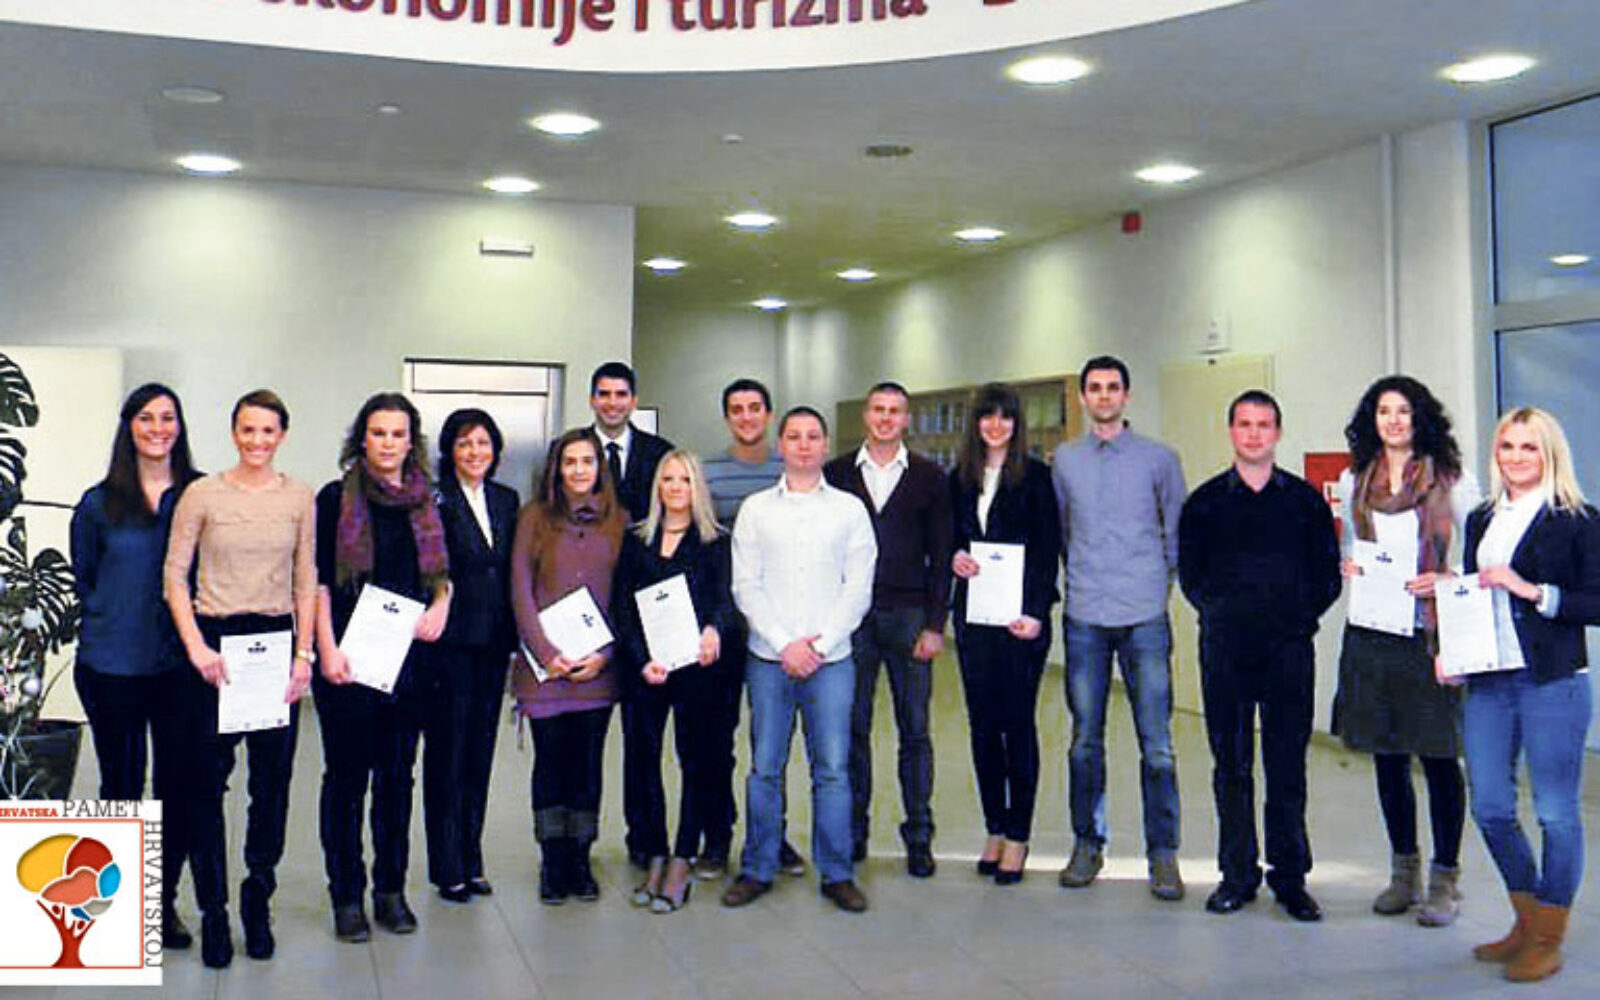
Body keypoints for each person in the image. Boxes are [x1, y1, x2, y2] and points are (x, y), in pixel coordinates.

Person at [163, 389, 316, 968]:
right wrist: (196, 648)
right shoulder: (202, 494)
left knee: (271, 786)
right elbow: (174, 576)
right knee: (206, 785)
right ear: (234, 433)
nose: (257, 441)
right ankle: (214, 910)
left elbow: (306, 577)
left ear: (282, 435)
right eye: (247, 430)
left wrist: (304, 655)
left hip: (274, 644)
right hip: (214, 647)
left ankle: (258, 899)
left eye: (267, 431)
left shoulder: (299, 497)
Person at [1178, 389, 1341, 922]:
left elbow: (1327, 575)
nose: (1253, 434)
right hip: (1225, 650)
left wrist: (1297, 619)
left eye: (1263, 424)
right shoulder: (1203, 503)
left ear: (1278, 433)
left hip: (1288, 652)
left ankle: (1290, 879)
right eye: (1244, 424)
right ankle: (1237, 875)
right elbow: (1191, 575)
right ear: (1231, 431)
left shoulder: (1304, 502)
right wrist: (1223, 613)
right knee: (1231, 766)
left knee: (1287, 766)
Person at [1457, 406, 1598, 983]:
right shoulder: (1481, 518)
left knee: (1555, 812)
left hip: (1553, 681)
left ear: (1549, 453)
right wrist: (1455, 654)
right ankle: (1526, 916)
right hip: (1489, 681)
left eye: (1529, 447)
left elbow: (1597, 601)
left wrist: (1534, 591)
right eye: (1507, 446)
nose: (1516, 457)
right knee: (1489, 805)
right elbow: (1473, 594)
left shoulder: (1578, 519)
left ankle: (1546, 938)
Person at [1331, 376, 1478, 926]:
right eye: (1383, 411)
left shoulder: (1452, 480)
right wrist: (1348, 565)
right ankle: (1403, 873)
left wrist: (1446, 576)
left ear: (1420, 418)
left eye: (1403, 411)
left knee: (1439, 758)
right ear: (1372, 420)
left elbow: (1478, 555)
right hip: (1373, 633)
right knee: (1387, 757)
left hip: (1429, 636)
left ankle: (1445, 879)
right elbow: (1351, 544)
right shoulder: (1355, 479)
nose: (1393, 420)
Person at [722, 406, 877, 912]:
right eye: (794, 436)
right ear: (781, 445)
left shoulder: (850, 510)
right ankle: (758, 866)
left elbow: (858, 587)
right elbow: (746, 585)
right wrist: (785, 643)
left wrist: (820, 645)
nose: (804, 444)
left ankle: (837, 872)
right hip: (769, 660)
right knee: (765, 767)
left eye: (813, 436)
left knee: (832, 769)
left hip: (832, 663)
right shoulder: (756, 510)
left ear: (825, 445)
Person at [313, 393, 453, 942]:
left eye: (398, 434)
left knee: (397, 778)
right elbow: (319, 583)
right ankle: (346, 895)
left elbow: (443, 574)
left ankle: (390, 890)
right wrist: (326, 650)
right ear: (362, 439)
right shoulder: (335, 498)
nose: (388, 443)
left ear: (410, 441)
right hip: (347, 663)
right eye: (378, 433)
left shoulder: (428, 501)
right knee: (347, 780)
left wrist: (441, 607)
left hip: (409, 664)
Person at [70, 383, 201, 952]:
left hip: (179, 668)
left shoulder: (200, 494)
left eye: (167, 418)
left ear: (180, 426)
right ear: (129, 426)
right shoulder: (99, 503)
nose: (157, 428)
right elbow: (85, 577)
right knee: (122, 785)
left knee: (176, 786)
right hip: (111, 666)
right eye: (146, 418)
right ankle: (120, 908)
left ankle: (161, 903)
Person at [1050, 356, 1187, 899]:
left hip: (1144, 614)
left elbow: (1175, 533)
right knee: (1085, 741)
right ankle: (1088, 844)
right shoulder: (1065, 460)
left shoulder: (1160, 459)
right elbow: (1062, 531)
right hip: (1086, 613)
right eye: (1095, 388)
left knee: (1157, 745)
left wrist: (1156, 586)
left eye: (1113, 387)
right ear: (1084, 397)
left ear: (1126, 396)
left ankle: (1163, 855)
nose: (1104, 396)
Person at [824, 380, 952, 876]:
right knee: (852, 728)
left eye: (894, 411)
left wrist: (936, 624)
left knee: (914, 730)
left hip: (910, 616)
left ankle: (919, 835)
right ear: (866, 416)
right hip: (851, 619)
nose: (885, 418)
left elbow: (941, 555)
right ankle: (854, 832)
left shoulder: (929, 477)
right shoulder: (836, 474)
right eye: (877, 409)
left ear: (906, 419)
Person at [612, 450, 734, 913]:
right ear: (657, 487)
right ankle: (656, 853)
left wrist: (714, 630)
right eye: (668, 479)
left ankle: (683, 855)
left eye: (685, 479)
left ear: (697, 486)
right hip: (646, 670)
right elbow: (622, 607)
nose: (676, 487)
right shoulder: (636, 540)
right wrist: (642, 659)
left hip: (697, 670)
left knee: (695, 760)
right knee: (643, 762)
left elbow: (724, 600)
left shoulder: (715, 542)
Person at [949, 382, 1061, 885]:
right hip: (975, 620)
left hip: (1021, 624)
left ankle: (1018, 835)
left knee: (1017, 726)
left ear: (1017, 424)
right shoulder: (960, 477)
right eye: (987, 416)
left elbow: (1047, 549)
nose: (996, 425)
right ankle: (994, 827)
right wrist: (955, 556)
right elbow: (951, 539)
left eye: (1005, 417)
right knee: (982, 727)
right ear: (976, 423)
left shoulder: (1037, 478)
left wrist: (1035, 611)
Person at [510, 428, 626, 905]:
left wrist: (605, 654)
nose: (579, 470)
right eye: (570, 462)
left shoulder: (620, 520)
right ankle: (552, 860)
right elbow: (520, 588)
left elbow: (624, 596)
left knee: (587, 764)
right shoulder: (533, 517)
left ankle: (580, 857)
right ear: (557, 469)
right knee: (551, 762)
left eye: (588, 461)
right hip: (545, 670)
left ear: (600, 468)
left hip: (597, 669)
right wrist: (545, 652)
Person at [700, 377, 804, 879]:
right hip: (724, 627)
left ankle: (771, 838)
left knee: (770, 745)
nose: (746, 416)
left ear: (768, 415)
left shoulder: (791, 471)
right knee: (716, 741)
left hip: (777, 630)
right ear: (727, 418)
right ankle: (717, 838)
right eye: (736, 409)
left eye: (754, 408)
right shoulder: (708, 473)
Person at [421, 409, 519, 904]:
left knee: (479, 753)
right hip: (450, 646)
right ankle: (447, 866)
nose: (475, 452)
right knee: (448, 754)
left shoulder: (506, 499)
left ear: (495, 449)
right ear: (450, 451)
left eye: (483, 442)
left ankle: (472, 858)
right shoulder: (433, 500)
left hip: (494, 644)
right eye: (464, 443)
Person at [590, 360, 673, 523]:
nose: (612, 403)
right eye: (604, 394)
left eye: (621, 394)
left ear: (634, 402)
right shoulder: (566, 450)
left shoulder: (661, 452)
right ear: (592, 400)